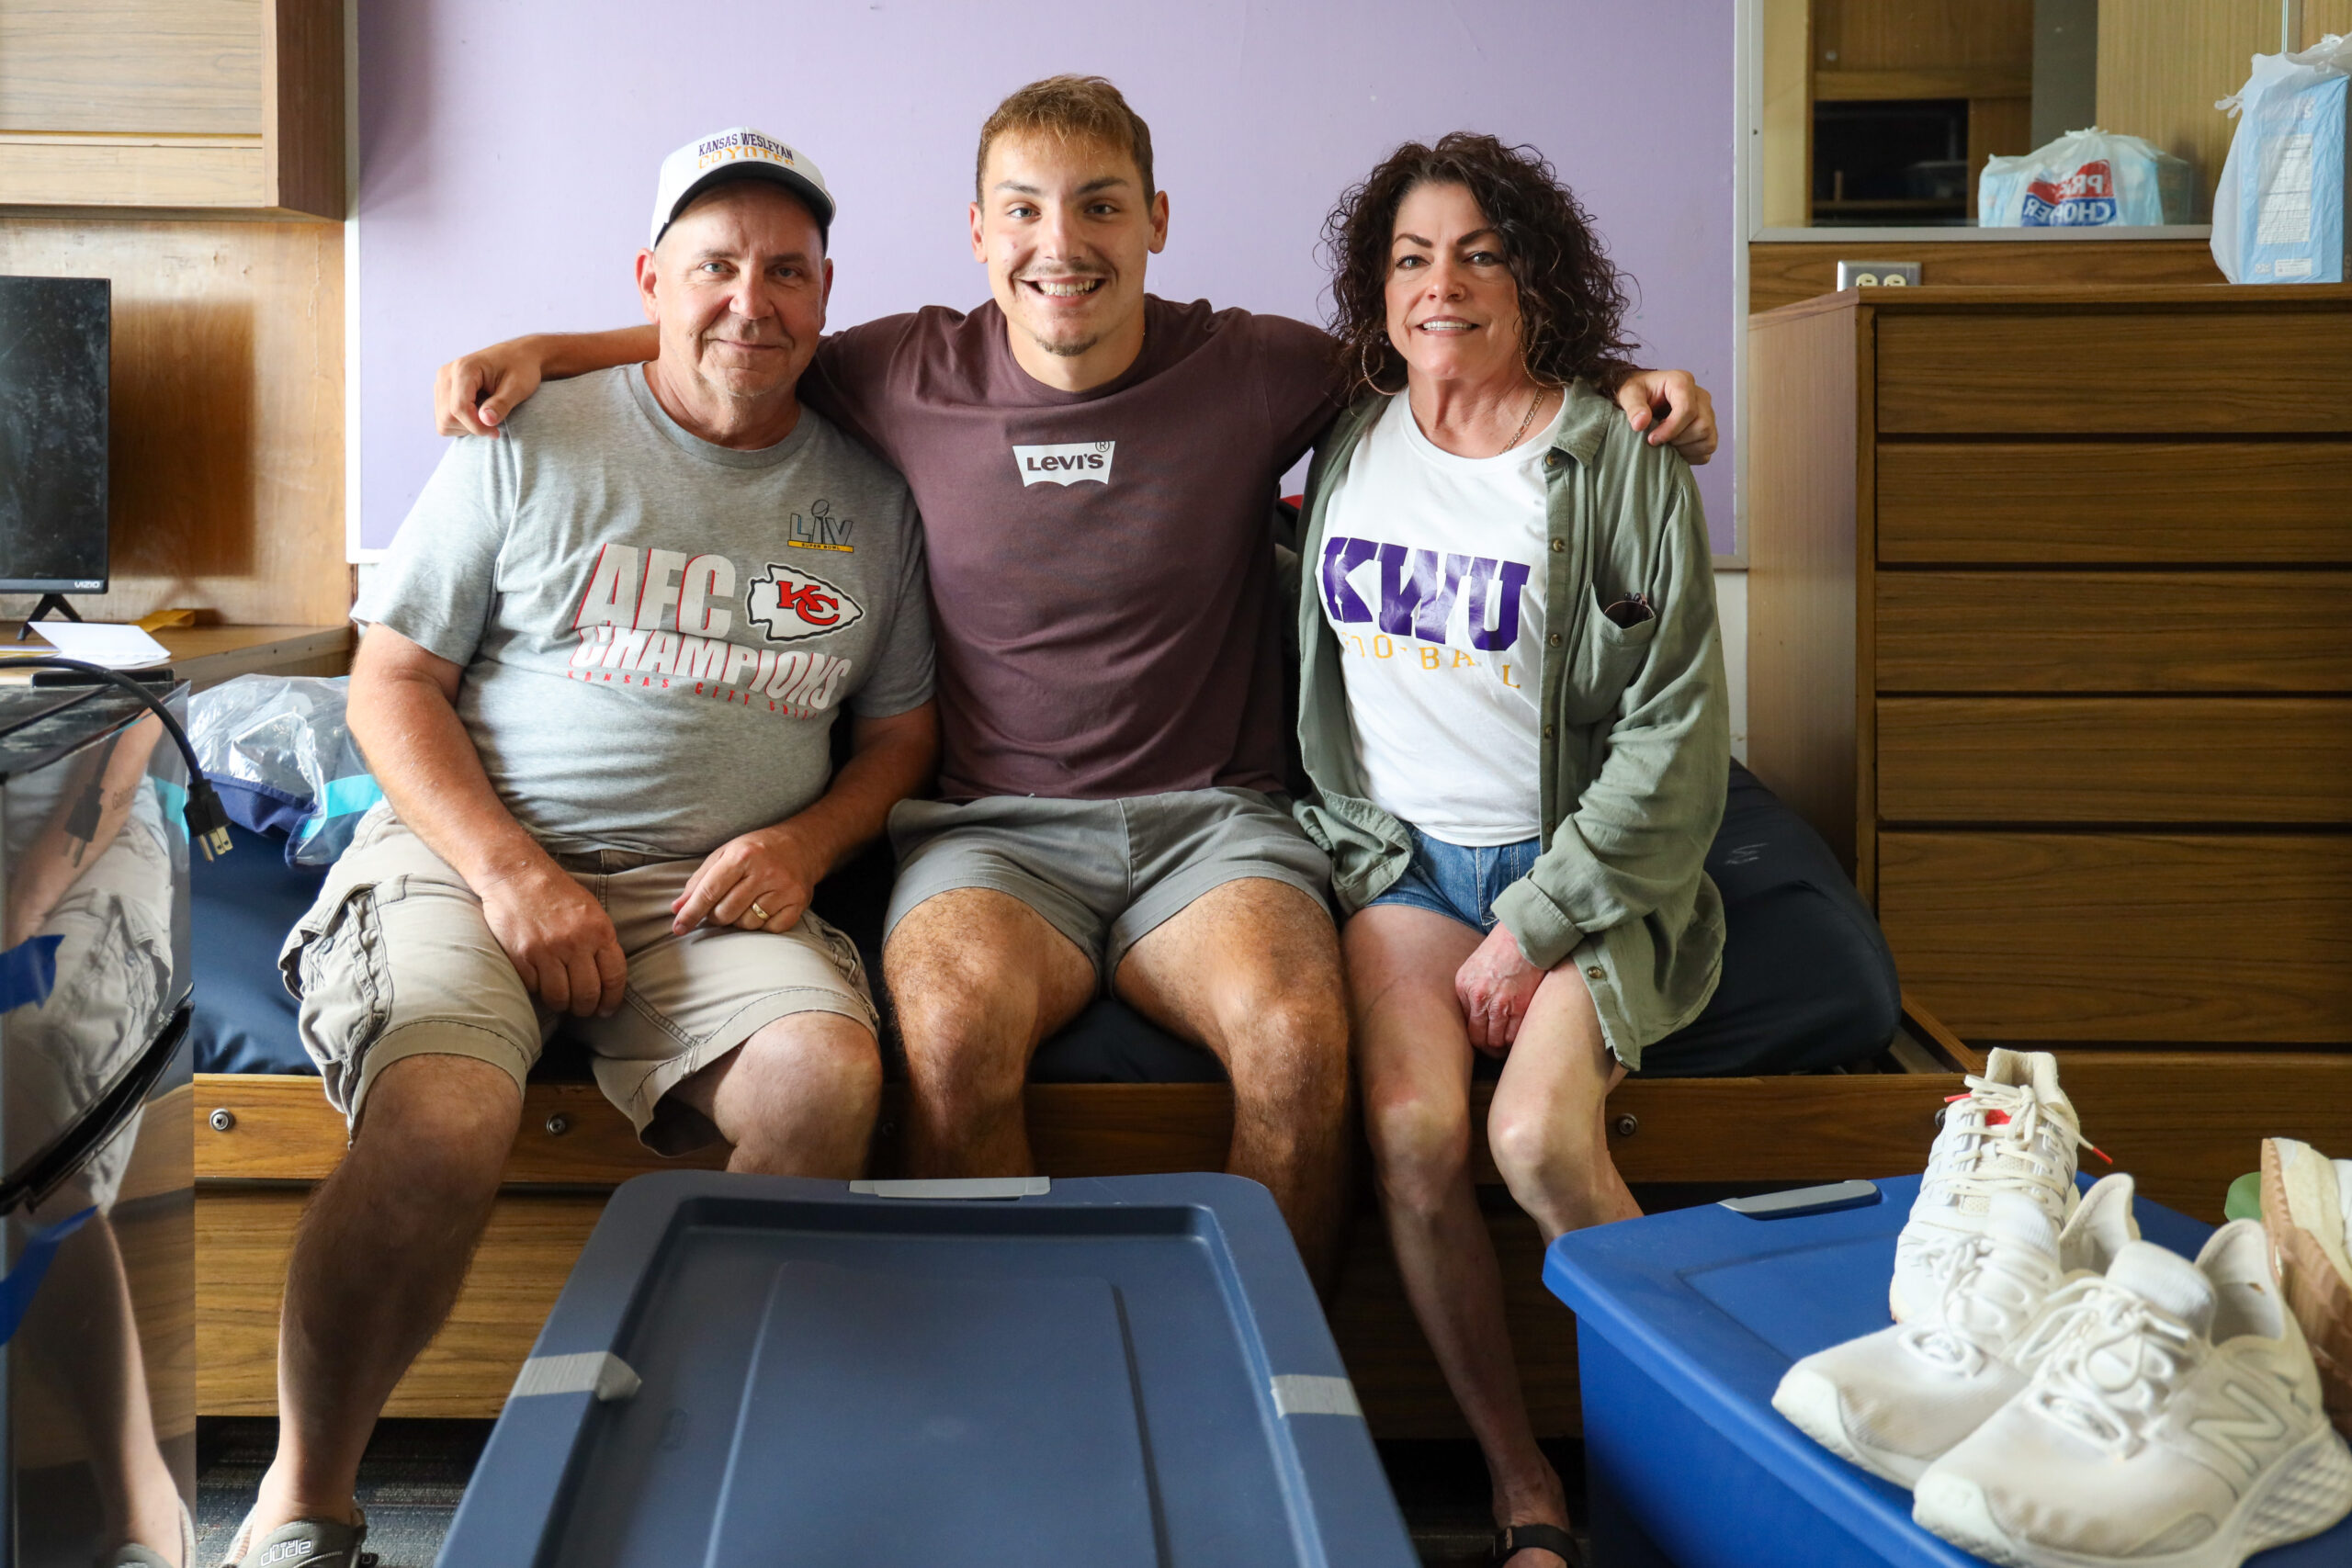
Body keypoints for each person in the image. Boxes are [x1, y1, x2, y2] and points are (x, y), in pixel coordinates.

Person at [435, 77, 1721, 1292]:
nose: (1066, 241)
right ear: (980, 232)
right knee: (942, 1031)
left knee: (1293, 1043)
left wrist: (1623, 383)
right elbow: (735, 333)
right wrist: (548, 347)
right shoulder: (902, 369)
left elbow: (1452, 345)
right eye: (1028, 208)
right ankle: (1011, 1368)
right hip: (993, 836)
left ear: (1157, 221)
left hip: (1215, 827)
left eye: (1103, 203)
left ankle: (1264, 1377)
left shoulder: (1259, 368)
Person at [221, 131, 939, 1568]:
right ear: (650, 282)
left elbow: (898, 740)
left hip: (705, 899)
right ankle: (300, 1507)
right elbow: (388, 679)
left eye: (787, 271)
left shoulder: (870, 494)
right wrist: (511, 873)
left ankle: (676, 1469)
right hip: (475, 864)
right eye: (715, 267)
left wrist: (802, 845)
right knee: (439, 1112)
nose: (753, 299)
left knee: (824, 1080)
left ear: (827, 292)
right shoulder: (531, 437)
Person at [1290, 134, 1729, 1568]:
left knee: (1536, 1138)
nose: (1445, 283)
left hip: (1578, 868)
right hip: (1402, 868)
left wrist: (1536, 921)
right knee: (1412, 1138)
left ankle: (1706, 1474)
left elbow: (1673, 740)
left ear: (1537, 276)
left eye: (1481, 251)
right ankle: (1521, 1485)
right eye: (1414, 256)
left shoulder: (1619, 457)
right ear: (1378, 286)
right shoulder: (1350, 437)